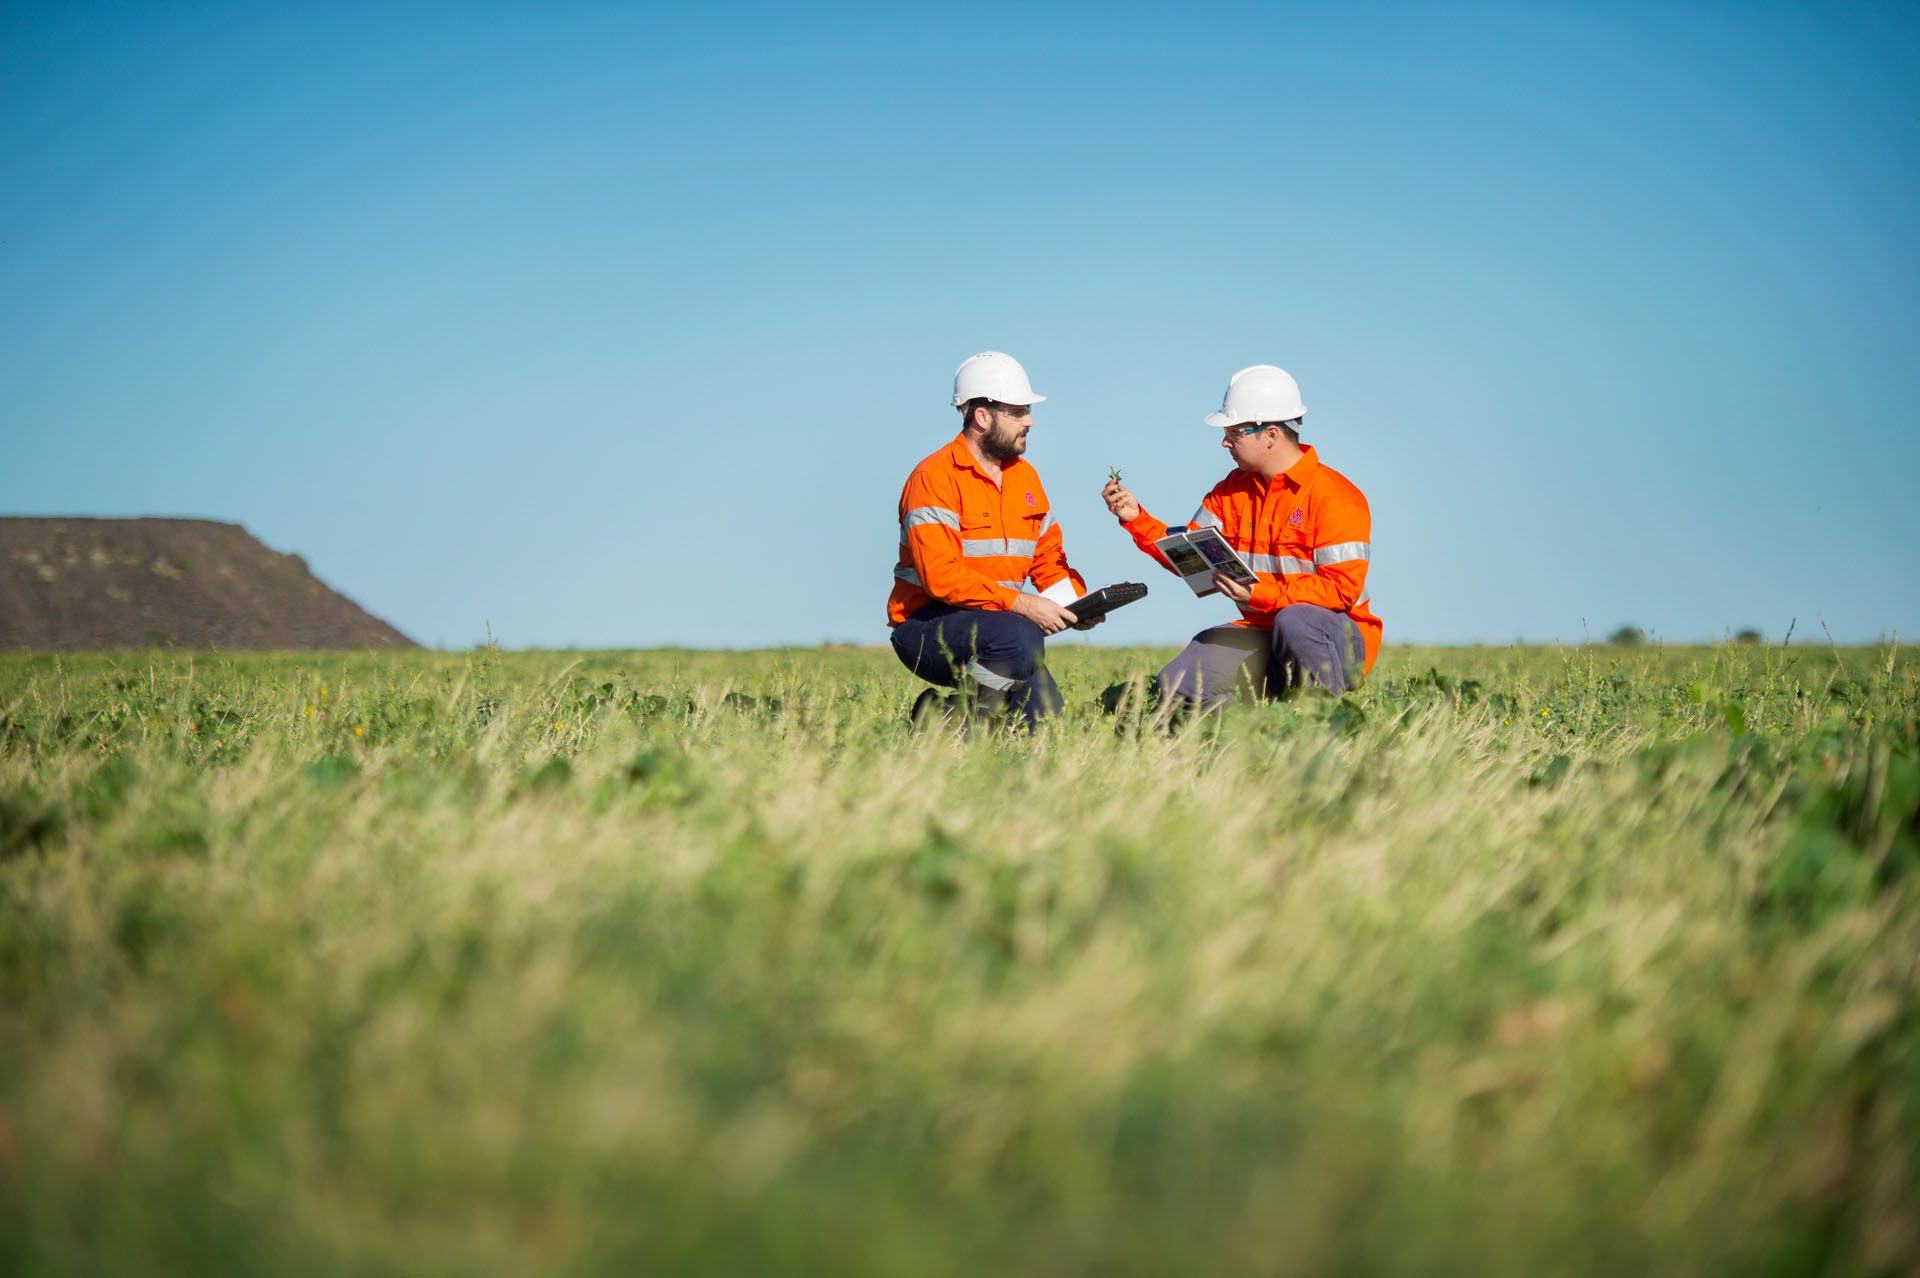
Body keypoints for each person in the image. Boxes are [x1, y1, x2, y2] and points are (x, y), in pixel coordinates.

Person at [1101, 364, 1381, 711]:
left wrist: (1258, 592)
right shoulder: (1229, 491)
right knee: (1179, 682)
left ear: (1271, 435)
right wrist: (1136, 519)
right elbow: (1190, 557)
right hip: (1262, 632)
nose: (1224, 441)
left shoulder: (1335, 497)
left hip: (1336, 640)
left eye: (1234, 432)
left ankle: (1323, 727)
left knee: (1295, 620)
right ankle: (1249, 740)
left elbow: (1341, 592)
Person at [889, 351, 1102, 726]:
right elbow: (940, 576)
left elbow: (1047, 560)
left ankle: (941, 716)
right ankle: (963, 726)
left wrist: (1076, 603)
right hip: (927, 628)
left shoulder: (1026, 478)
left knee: (1048, 725)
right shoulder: (933, 477)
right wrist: (1024, 605)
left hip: (1000, 627)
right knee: (1020, 637)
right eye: (1018, 411)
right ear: (982, 416)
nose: (1030, 420)